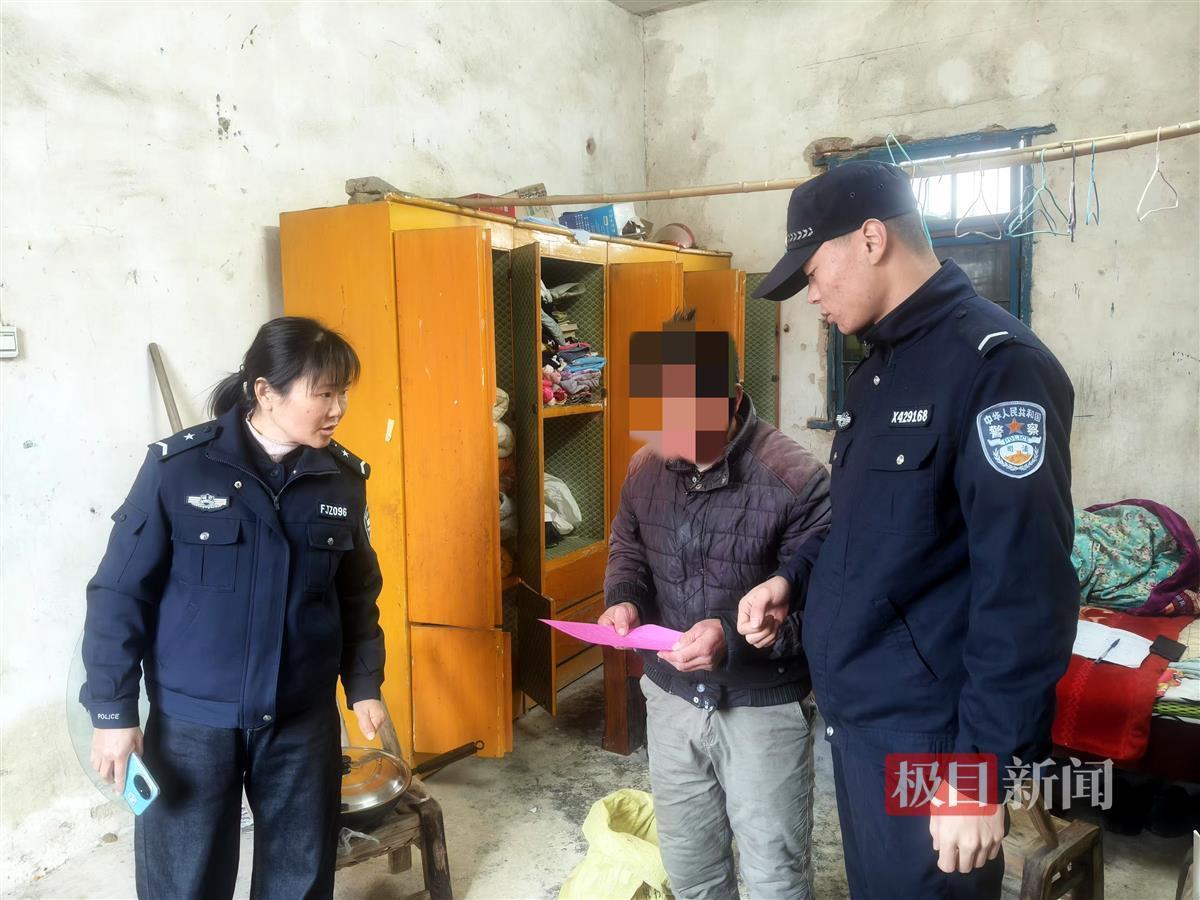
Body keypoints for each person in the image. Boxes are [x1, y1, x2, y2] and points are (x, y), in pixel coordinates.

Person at [740, 159, 1077, 899]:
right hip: (860, 723)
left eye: (813, 271)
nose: (811, 295)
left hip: (932, 740)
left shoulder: (997, 368)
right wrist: (792, 582)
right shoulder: (877, 371)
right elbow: (863, 526)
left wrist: (979, 773)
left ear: (871, 239)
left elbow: (1027, 591)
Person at [80, 316, 386, 899]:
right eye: (324, 394)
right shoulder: (178, 469)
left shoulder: (342, 480)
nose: (338, 409)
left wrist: (364, 681)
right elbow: (120, 592)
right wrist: (112, 712)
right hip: (193, 723)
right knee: (184, 881)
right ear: (265, 391)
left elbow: (356, 593)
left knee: (299, 878)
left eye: (343, 393)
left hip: (301, 719)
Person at [598, 314, 831, 899]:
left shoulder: (796, 480)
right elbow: (628, 547)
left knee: (774, 877)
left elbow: (822, 612)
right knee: (691, 868)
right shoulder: (646, 468)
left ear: (731, 397)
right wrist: (624, 599)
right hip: (671, 698)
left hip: (759, 708)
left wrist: (732, 635)